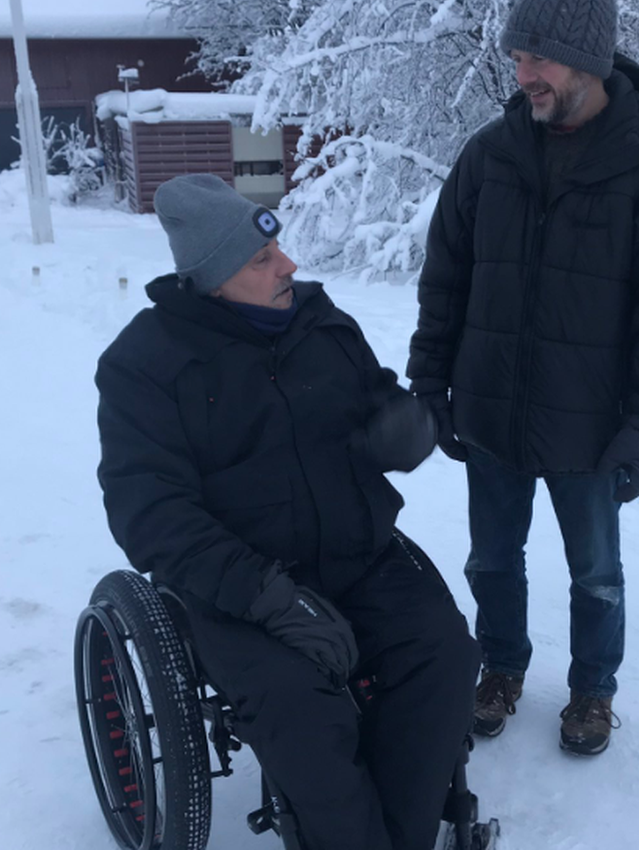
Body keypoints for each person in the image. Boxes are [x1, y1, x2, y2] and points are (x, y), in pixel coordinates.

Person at [95, 174, 480, 850]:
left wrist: (407, 430)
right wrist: (269, 598)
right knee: (303, 709)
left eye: (279, 250)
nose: (289, 266)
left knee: (445, 656)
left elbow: (380, 401)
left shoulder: (322, 324)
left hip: (361, 558)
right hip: (242, 588)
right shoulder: (146, 365)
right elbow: (147, 510)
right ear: (212, 280)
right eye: (261, 260)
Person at [407, 0, 639, 755]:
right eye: (516, 58)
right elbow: (445, 279)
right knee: (490, 560)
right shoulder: (491, 153)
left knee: (597, 575)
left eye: (536, 59)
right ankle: (502, 668)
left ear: (585, 60)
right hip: (491, 414)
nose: (523, 74)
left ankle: (593, 692)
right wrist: (430, 388)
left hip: (592, 424)